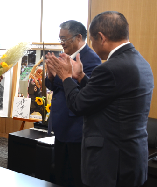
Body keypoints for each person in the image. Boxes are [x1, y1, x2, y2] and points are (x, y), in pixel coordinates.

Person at [46, 11, 154, 187]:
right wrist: (81, 77)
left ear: (101, 38)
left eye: (92, 40)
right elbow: (105, 95)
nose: (92, 45)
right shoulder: (140, 62)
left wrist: (66, 77)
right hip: (132, 156)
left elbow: (78, 105)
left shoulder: (110, 68)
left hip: (111, 162)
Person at [45, 20, 101, 187]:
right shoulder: (64, 56)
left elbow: (85, 90)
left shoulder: (91, 59)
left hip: (76, 126)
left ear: (78, 37)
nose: (62, 43)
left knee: (75, 174)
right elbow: (54, 87)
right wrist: (51, 76)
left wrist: (62, 76)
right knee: (60, 172)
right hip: (62, 123)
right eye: (60, 39)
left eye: (65, 39)